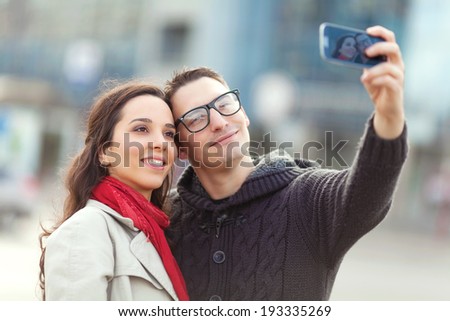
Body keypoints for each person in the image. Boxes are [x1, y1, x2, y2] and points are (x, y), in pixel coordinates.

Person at [164, 25, 407, 300]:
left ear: (243, 114)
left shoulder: (306, 199)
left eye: (224, 104)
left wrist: (389, 114)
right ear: (180, 148)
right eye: (197, 117)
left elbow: (367, 191)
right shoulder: (164, 218)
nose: (219, 122)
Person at [39, 80, 189, 301]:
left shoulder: (158, 232)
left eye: (168, 134)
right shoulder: (84, 231)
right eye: (141, 129)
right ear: (105, 152)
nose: (161, 142)